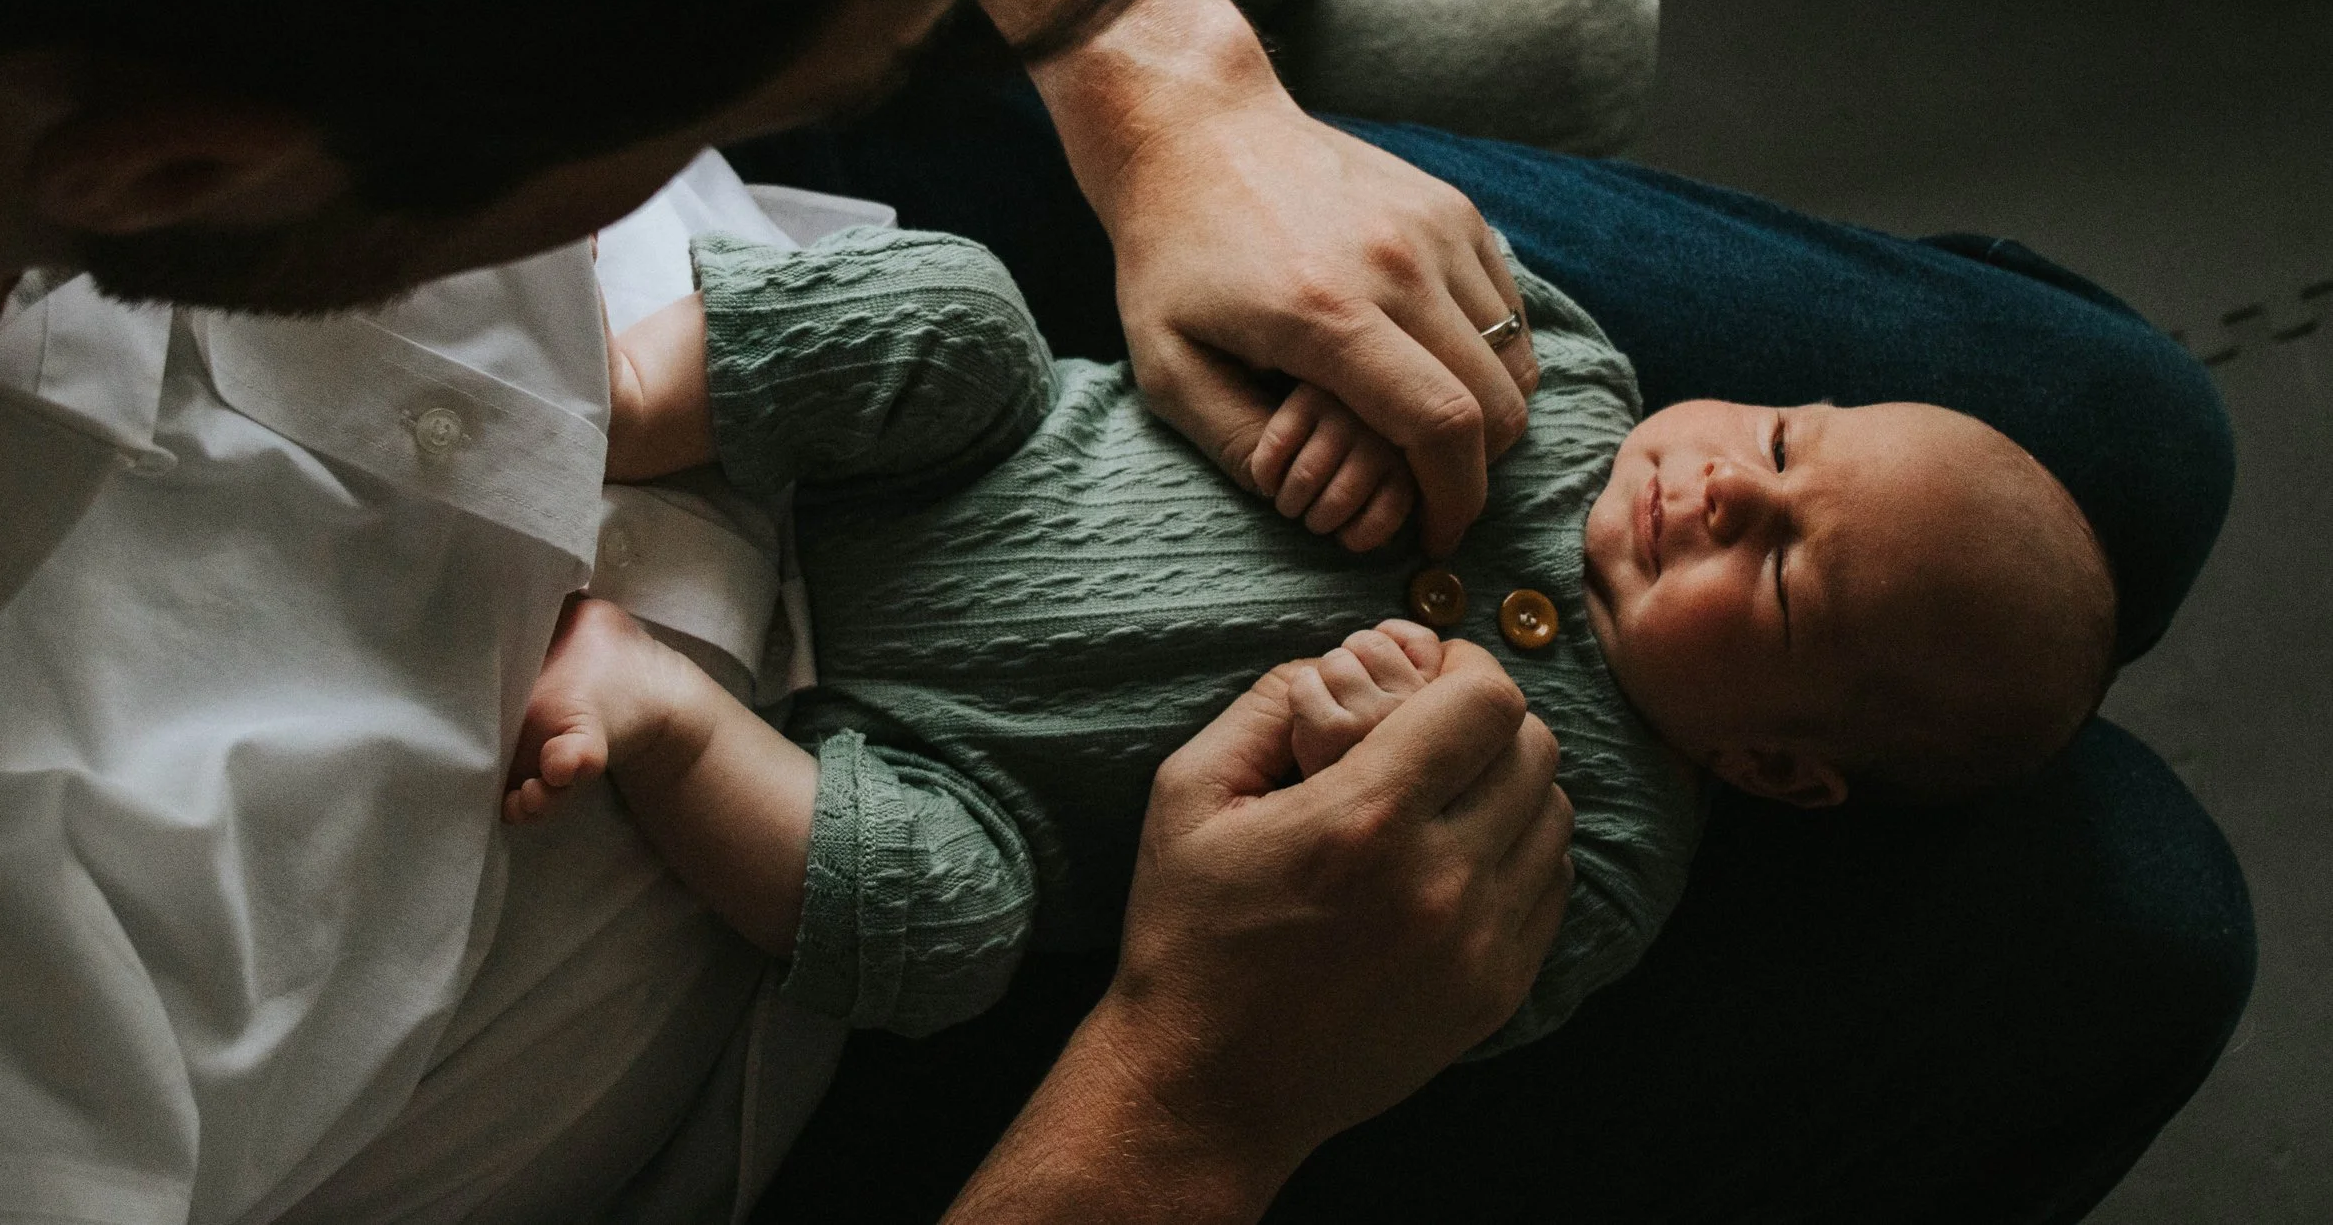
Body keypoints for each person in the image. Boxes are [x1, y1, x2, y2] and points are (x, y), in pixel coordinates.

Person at [0, 0, 1576, 1223]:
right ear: (175, 171)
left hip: (931, 351)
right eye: (816, 80)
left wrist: (1166, 92)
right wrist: (1195, 1099)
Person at [505, 224, 2115, 1059]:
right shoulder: (1562, 375)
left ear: (1772, 761)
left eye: (1776, 579)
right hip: (957, 465)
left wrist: (1349, 776)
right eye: (1776, 440)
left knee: (948, 942)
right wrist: (1336, 393)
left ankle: (659, 715)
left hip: (975, 788)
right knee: (956, 310)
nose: (1720, 496)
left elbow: (1399, 968)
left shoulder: (1600, 853)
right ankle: (610, 404)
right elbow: (1331, 294)